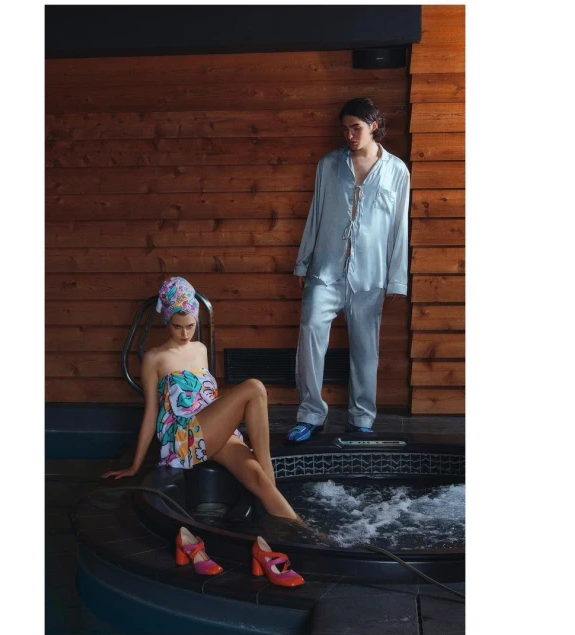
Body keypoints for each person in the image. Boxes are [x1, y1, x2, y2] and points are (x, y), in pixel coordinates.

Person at [103, 276, 301, 522]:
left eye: (190, 325)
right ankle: (268, 467)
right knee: (255, 387)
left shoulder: (201, 349)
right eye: (177, 326)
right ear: (167, 321)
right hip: (185, 437)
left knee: (261, 482)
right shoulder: (155, 358)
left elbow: (207, 397)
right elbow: (151, 414)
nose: (185, 333)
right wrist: (135, 466)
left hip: (211, 430)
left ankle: (307, 534)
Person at [286, 97, 410, 443]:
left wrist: (397, 280)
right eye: (345, 129)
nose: (350, 135)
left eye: (356, 128)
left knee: (366, 350)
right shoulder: (329, 165)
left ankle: (361, 420)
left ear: (373, 126)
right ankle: (310, 415)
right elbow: (316, 213)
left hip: (370, 276)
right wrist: (303, 261)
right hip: (325, 271)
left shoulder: (397, 171)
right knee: (310, 334)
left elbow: (399, 227)